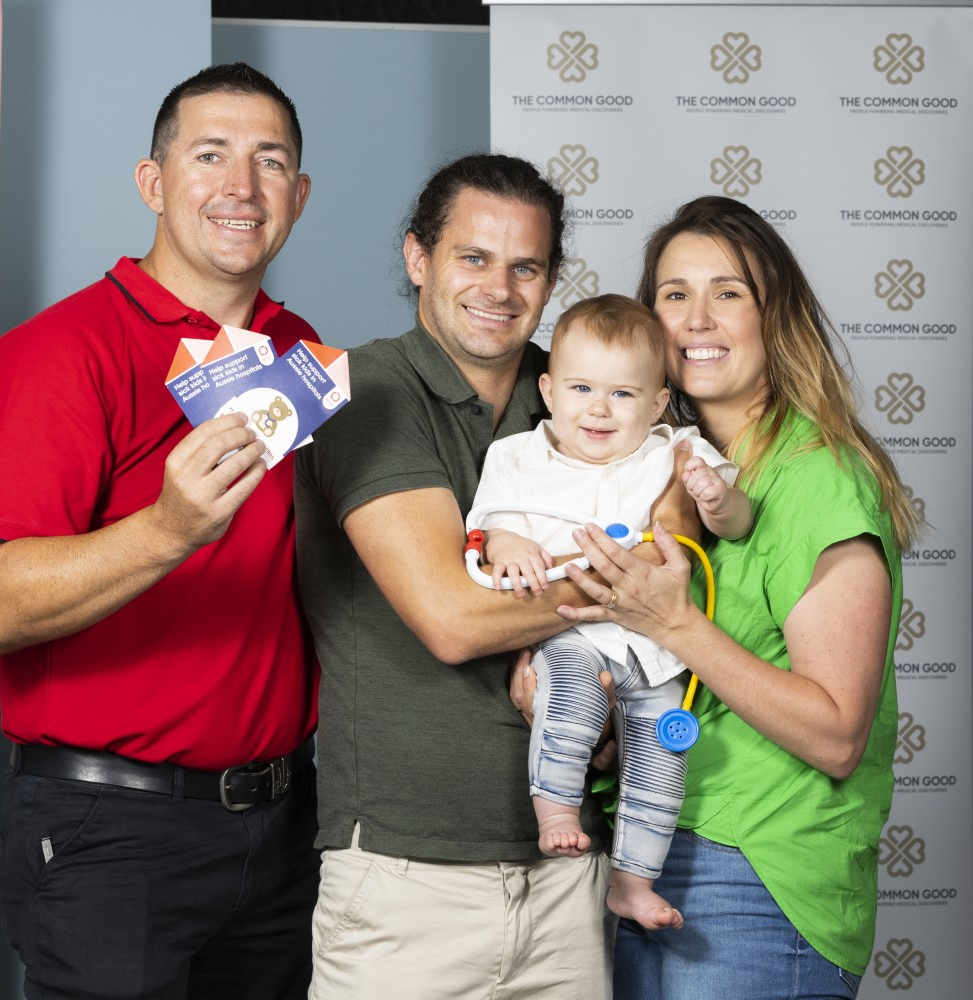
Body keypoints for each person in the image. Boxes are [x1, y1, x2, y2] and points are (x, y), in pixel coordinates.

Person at [0, 63, 318, 1000]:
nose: (241, 188)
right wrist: (165, 529)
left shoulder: (300, 352)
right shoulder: (59, 353)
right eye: (210, 157)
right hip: (110, 832)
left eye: (268, 162)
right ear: (153, 184)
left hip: (282, 825)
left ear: (299, 196)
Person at [294, 153, 693, 999]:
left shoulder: (582, 391)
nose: (499, 288)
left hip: (568, 874)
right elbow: (454, 620)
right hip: (407, 879)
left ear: (551, 280)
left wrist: (608, 645)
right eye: (473, 258)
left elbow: (679, 532)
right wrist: (618, 596)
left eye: (527, 266)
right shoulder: (366, 389)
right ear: (418, 260)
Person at [555, 196, 920, 999]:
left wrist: (676, 625)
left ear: (774, 316)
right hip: (652, 855)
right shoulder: (676, 478)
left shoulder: (817, 476)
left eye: (729, 293)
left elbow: (834, 735)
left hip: (755, 878)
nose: (696, 318)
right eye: (674, 294)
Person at [468, 293, 751, 932]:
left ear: (656, 403)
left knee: (661, 755)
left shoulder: (671, 451)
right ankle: (557, 812)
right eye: (581, 388)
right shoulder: (517, 457)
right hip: (569, 629)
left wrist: (715, 497)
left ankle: (632, 880)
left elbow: (734, 522)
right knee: (567, 698)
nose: (598, 408)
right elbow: (488, 524)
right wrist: (509, 541)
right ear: (547, 389)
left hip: (651, 649)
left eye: (623, 395)